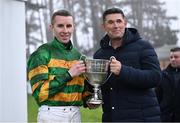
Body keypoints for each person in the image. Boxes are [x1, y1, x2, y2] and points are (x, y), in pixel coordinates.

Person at [93, 7, 162, 122]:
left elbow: (155, 77)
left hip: (142, 118)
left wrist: (123, 71)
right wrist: (91, 96)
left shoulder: (143, 47)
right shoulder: (100, 54)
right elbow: (99, 85)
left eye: (119, 21)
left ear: (125, 23)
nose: (116, 26)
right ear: (103, 27)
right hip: (112, 118)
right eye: (110, 22)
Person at [27, 10, 92, 123]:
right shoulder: (41, 53)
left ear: (73, 27)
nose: (65, 30)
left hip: (76, 114)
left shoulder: (79, 56)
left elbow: (83, 90)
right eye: (60, 26)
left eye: (69, 26)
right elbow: (40, 93)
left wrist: (89, 100)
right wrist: (69, 74)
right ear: (52, 27)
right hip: (51, 114)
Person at [156, 47, 180, 122]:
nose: (173, 59)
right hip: (166, 117)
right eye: (171, 57)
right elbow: (157, 96)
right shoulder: (162, 75)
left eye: (176, 57)